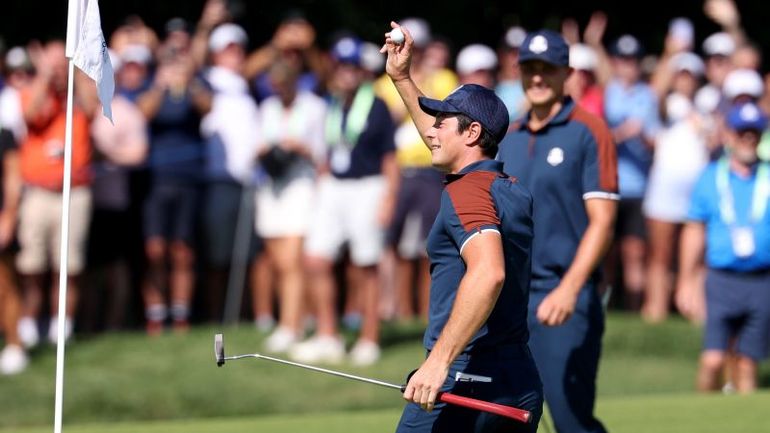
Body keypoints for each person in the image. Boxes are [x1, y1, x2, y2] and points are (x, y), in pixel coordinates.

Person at [382, 23, 543, 433]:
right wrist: (402, 78)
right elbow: (447, 146)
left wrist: (438, 363)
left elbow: (489, 273)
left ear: (471, 133)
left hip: (466, 379)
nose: (431, 131)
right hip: (516, 379)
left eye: (442, 122)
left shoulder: (467, 193)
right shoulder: (505, 187)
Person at [496, 30, 618, 433]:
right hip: (510, 300)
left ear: (566, 73)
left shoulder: (588, 130)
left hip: (565, 294)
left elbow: (602, 222)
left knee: (568, 417)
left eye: (546, 69)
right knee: (505, 415)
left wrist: (569, 288)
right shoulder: (508, 137)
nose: (536, 78)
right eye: (528, 69)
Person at [290, 36, 398, 366]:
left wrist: (389, 199)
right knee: (315, 259)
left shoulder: (376, 105)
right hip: (334, 186)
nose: (347, 73)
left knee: (366, 266)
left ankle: (369, 338)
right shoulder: (332, 103)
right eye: (341, 66)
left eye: (353, 66)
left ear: (361, 71)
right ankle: (328, 336)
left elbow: (390, 158)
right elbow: (331, 150)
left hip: (368, 187)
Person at [676, 101, 770, 394]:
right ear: (728, 135)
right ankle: (700, 418)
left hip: (761, 280)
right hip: (720, 280)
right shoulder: (710, 177)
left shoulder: (767, 176)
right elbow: (694, 231)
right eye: (742, 132)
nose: (748, 139)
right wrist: (686, 280)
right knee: (713, 360)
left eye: (754, 133)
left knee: (747, 363)